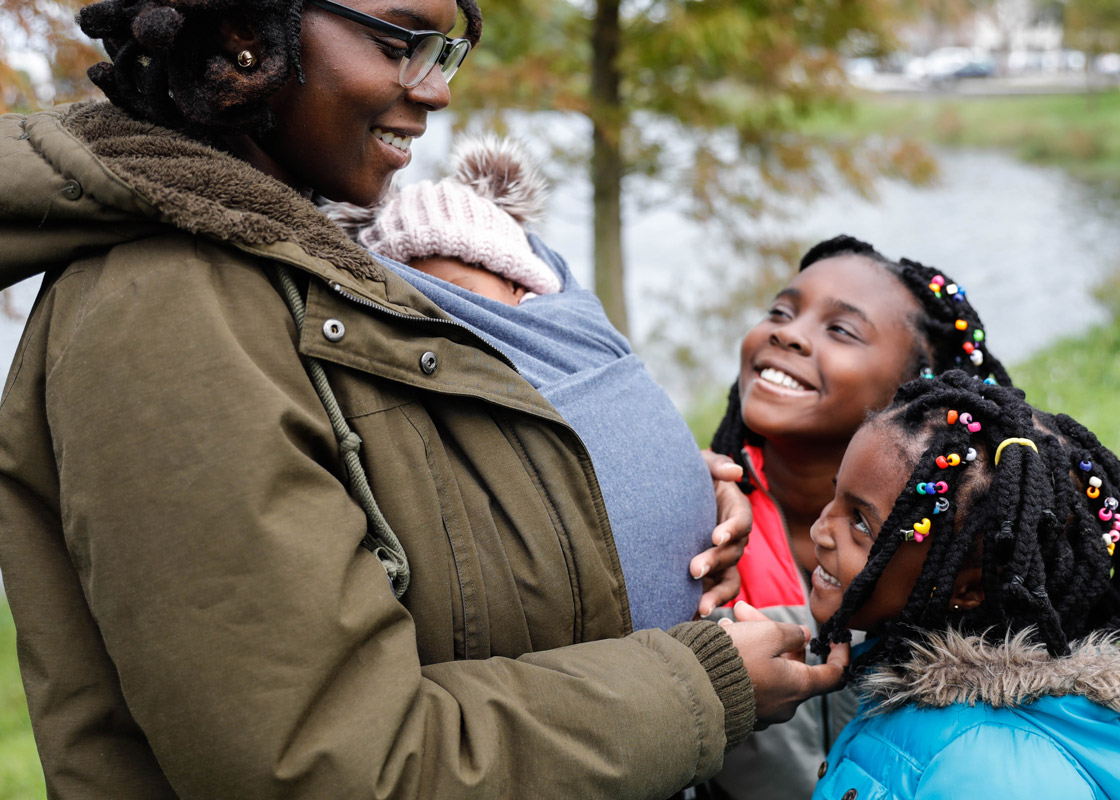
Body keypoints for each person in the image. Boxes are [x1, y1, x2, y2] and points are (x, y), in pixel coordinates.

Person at [0, 1, 848, 798]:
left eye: (444, 49)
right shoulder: (166, 310)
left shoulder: (304, 245)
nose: (436, 88)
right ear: (240, 33)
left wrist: (634, 490)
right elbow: (329, 763)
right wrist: (702, 686)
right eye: (397, 40)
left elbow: (402, 496)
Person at [326, 133, 734, 630]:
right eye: (415, 298)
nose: (441, 317)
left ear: (516, 282)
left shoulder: (573, 330)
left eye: (457, 295)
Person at [702, 236, 1010, 799]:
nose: (788, 333)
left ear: (921, 385)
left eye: (840, 330)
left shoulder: (958, 547)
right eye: (780, 311)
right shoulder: (698, 512)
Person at [806, 370, 1120, 799]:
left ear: (968, 590)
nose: (820, 529)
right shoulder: (892, 663)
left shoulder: (988, 772)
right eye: (834, 495)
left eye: (860, 523)